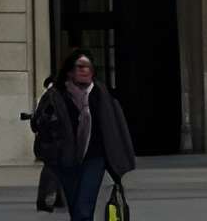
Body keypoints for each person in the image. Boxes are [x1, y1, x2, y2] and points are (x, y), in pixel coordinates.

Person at [30, 49, 139, 221]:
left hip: (94, 159)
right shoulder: (56, 95)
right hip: (65, 160)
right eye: (80, 66)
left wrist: (118, 160)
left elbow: (115, 126)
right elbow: (37, 123)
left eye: (88, 67)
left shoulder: (100, 94)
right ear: (69, 71)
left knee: (84, 209)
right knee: (76, 209)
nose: (85, 70)